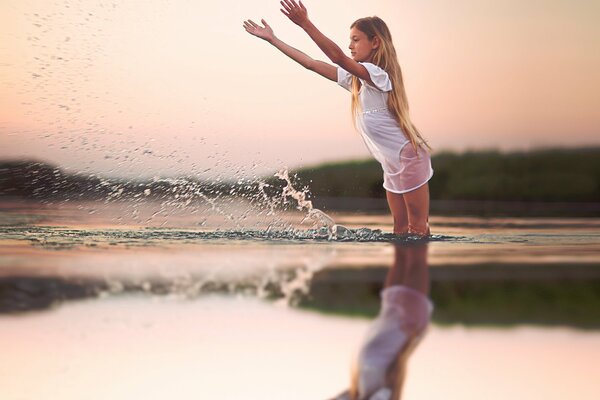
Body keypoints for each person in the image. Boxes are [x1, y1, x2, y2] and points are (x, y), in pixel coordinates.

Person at [243, 1, 433, 236]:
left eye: (356, 39)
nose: (350, 45)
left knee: (417, 228)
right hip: (392, 164)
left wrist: (305, 23)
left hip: (409, 158)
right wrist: (274, 39)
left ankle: (420, 271)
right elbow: (311, 64)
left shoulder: (378, 75)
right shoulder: (357, 82)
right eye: (350, 39)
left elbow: (338, 57)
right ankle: (398, 272)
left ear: (375, 42)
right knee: (400, 231)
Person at [331, 243, 433, 400]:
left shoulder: (359, 394)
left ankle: (405, 223)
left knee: (400, 255)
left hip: (391, 319)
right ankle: (418, 223)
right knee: (417, 254)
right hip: (407, 327)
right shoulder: (384, 395)